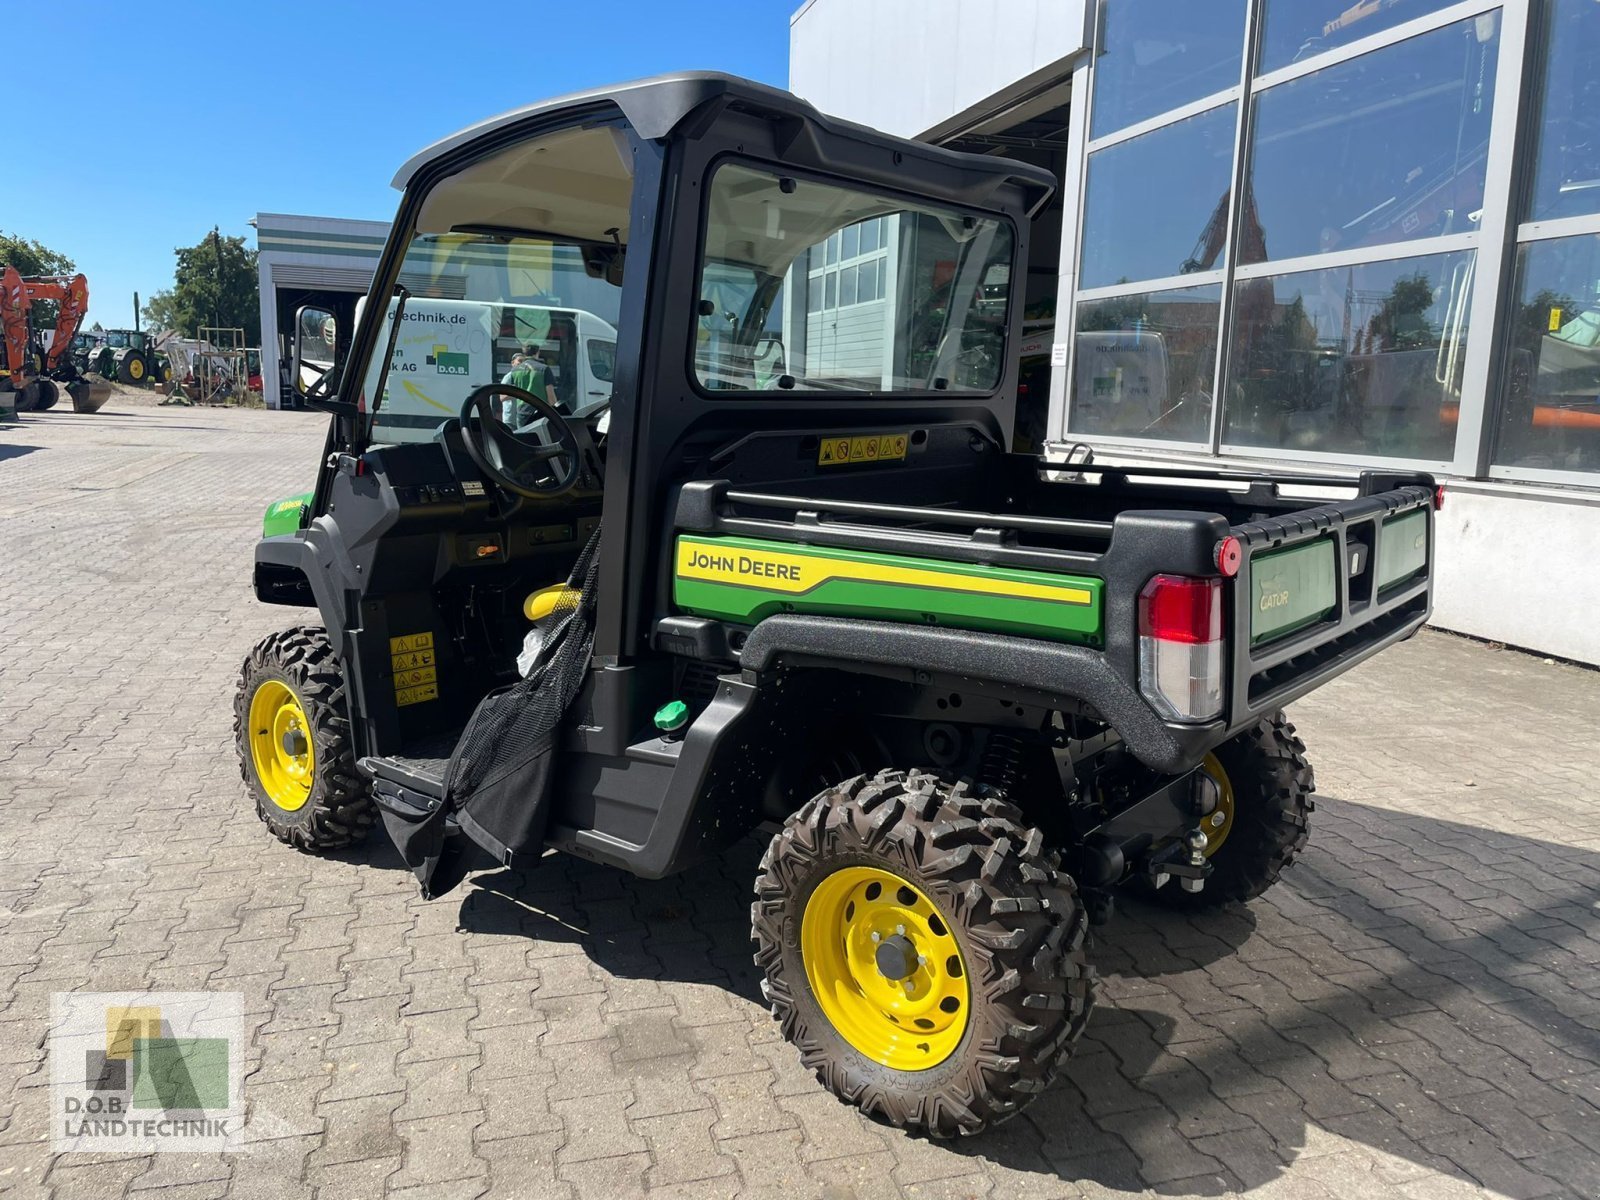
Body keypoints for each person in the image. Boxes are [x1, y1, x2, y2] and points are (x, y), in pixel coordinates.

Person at [499, 346, 556, 429]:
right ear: (538, 352)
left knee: (524, 439)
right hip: (541, 412)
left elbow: (505, 395)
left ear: (524, 353)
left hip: (522, 413)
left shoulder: (515, 371)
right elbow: (551, 399)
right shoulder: (544, 369)